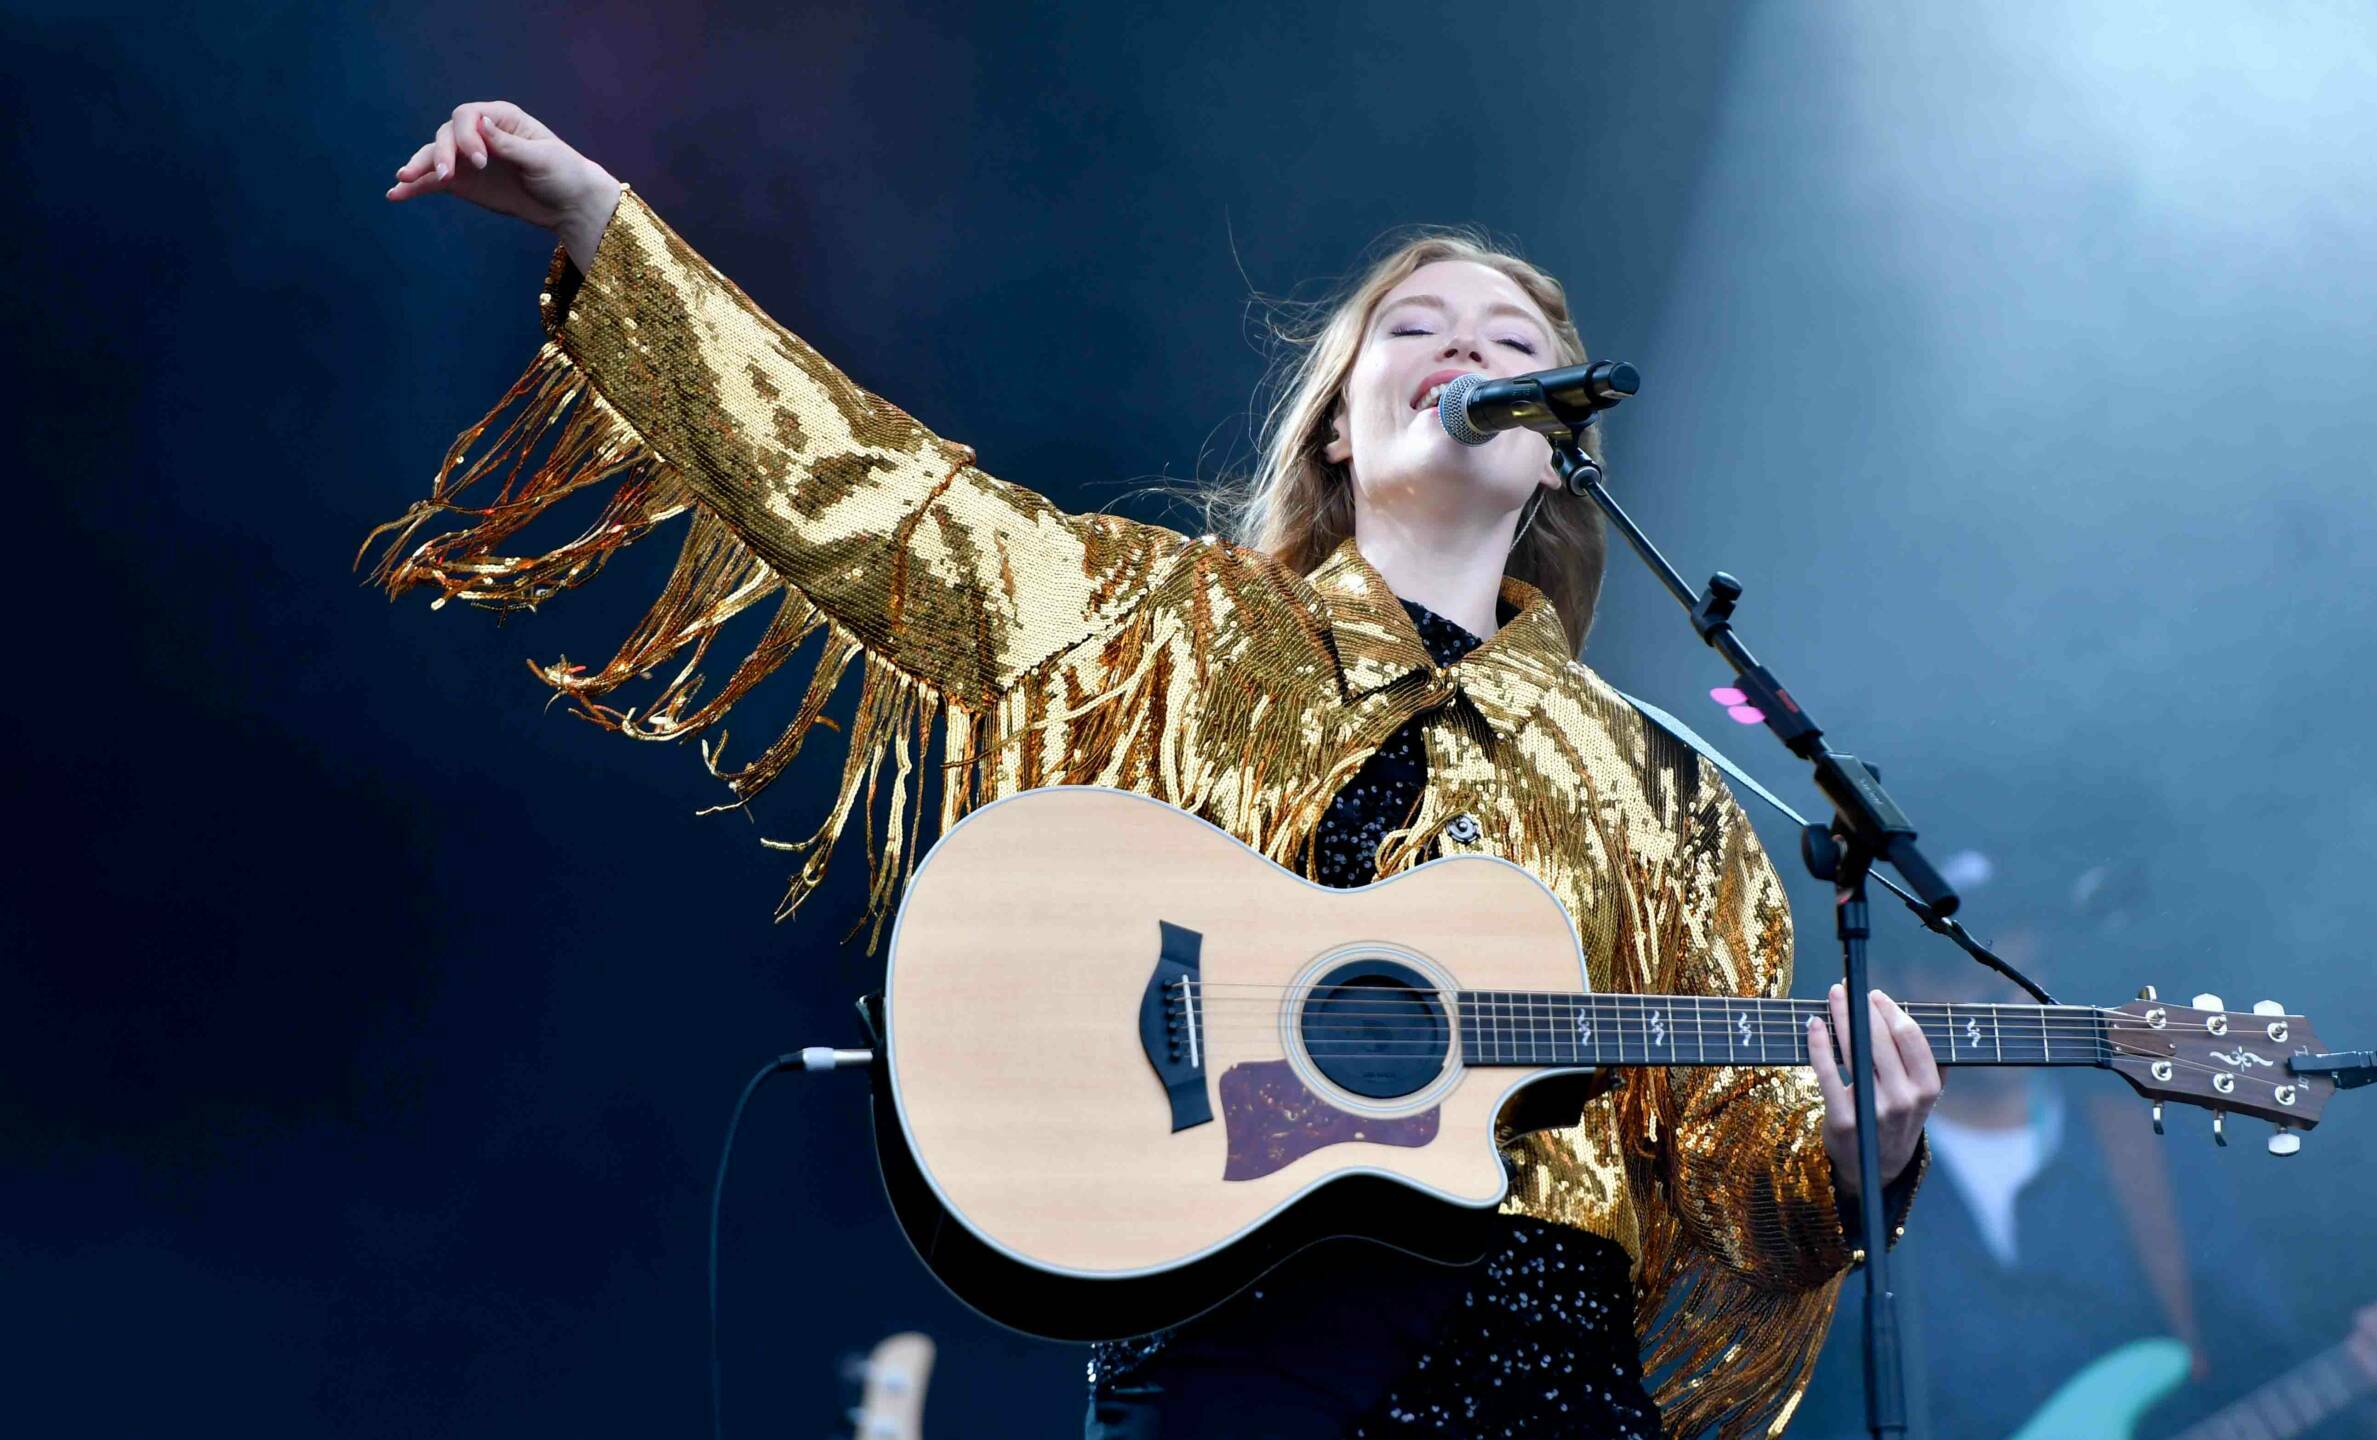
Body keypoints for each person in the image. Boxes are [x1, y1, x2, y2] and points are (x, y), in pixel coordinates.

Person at [374, 100, 1942, 1438]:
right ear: (1337, 424)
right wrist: (600, 220)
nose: (1467, 350)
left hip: (1550, 1355)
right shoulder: (1163, 619)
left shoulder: (1666, 789)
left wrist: (1861, 1147)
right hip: (1229, 1316)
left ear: (1552, 444)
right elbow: (876, 497)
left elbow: (1736, 1172)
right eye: (1419, 329)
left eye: (1513, 345)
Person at [1785, 923, 2377, 1440]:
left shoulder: (2149, 1151)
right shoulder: (1804, 1160)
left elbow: (2256, 1367)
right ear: (1880, 990)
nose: (2000, 971)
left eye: (2012, 938)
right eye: (1951, 954)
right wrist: (1855, 1186)